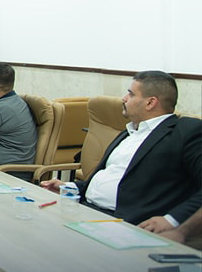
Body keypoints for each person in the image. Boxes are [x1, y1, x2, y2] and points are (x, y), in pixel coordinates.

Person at [41, 71, 201, 230]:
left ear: (150, 103)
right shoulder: (129, 132)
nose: (124, 98)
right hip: (84, 208)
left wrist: (172, 220)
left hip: (124, 222)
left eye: (131, 94)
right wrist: (71, 187)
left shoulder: (186, 131)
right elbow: (114, 176)